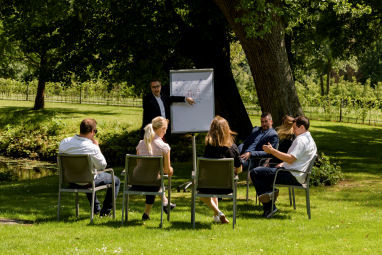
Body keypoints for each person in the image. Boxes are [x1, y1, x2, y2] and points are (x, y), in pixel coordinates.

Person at [250, 116, 317, 218]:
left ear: (302, 127)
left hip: (292, 175)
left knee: (255, 173)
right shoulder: (309, 139)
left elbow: (290, 158)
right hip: (296, 174)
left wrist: (272, 151)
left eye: (295, 128)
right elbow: (295, 159)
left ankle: (269, 204)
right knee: (262, 172)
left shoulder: (301, 140)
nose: (293, 131)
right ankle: (270, 195)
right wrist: (282, 163)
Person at [59, 118, 120, 216]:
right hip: (86, 181)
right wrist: (97, 147)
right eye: (95, 131)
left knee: (88, 173)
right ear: (92, 131)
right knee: (115, 180)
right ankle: (105, 212)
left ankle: (96, 209)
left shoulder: (65, 142)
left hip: (70, 180)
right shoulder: (91, 147)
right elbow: (102, 166)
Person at [200, 116, 242, 224]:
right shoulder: (233, 147)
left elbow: (205, 167)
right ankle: (217, 216)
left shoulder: (209, 146)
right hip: (226, 187)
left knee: (202, 194)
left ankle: (218, 213)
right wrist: (235, 172)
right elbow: (239, 169)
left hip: (209, 185)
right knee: (213, 188)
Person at [133, 116, 176, 221]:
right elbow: (166, 170)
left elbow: (139, 165)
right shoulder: (164, 147)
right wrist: (171, 170)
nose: (165, 132)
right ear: (159, 129)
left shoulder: (140, 144)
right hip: (152, 184)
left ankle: (146, 214)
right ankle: (166, 202)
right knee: (155, 180)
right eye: (164, 129)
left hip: (136, 183)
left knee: (152, 178)